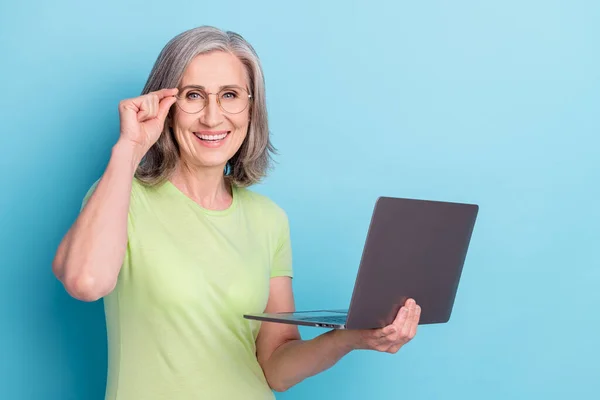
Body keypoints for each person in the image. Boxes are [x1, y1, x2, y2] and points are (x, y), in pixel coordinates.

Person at [52, 25, 422, 399]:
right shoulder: (121, 196)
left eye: (230, 95)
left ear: (251, 106)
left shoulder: (268, 219)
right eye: (193, 95)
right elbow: (86, 282)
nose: (213, 118)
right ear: (166, 105)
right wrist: (129, 149)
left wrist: (350, 337)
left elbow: (276, 367)